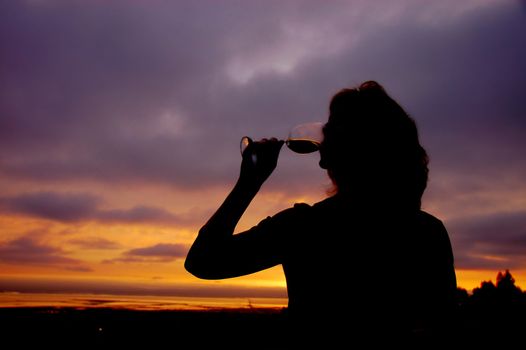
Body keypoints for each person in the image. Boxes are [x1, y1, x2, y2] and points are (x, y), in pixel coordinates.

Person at [185, 81, 457, 347]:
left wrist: (248, 183)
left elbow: (203, 261)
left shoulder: (304, 228)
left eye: (332, 130)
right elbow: (444, 328)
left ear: (351, 149)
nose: (323, 139)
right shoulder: (428, 232)